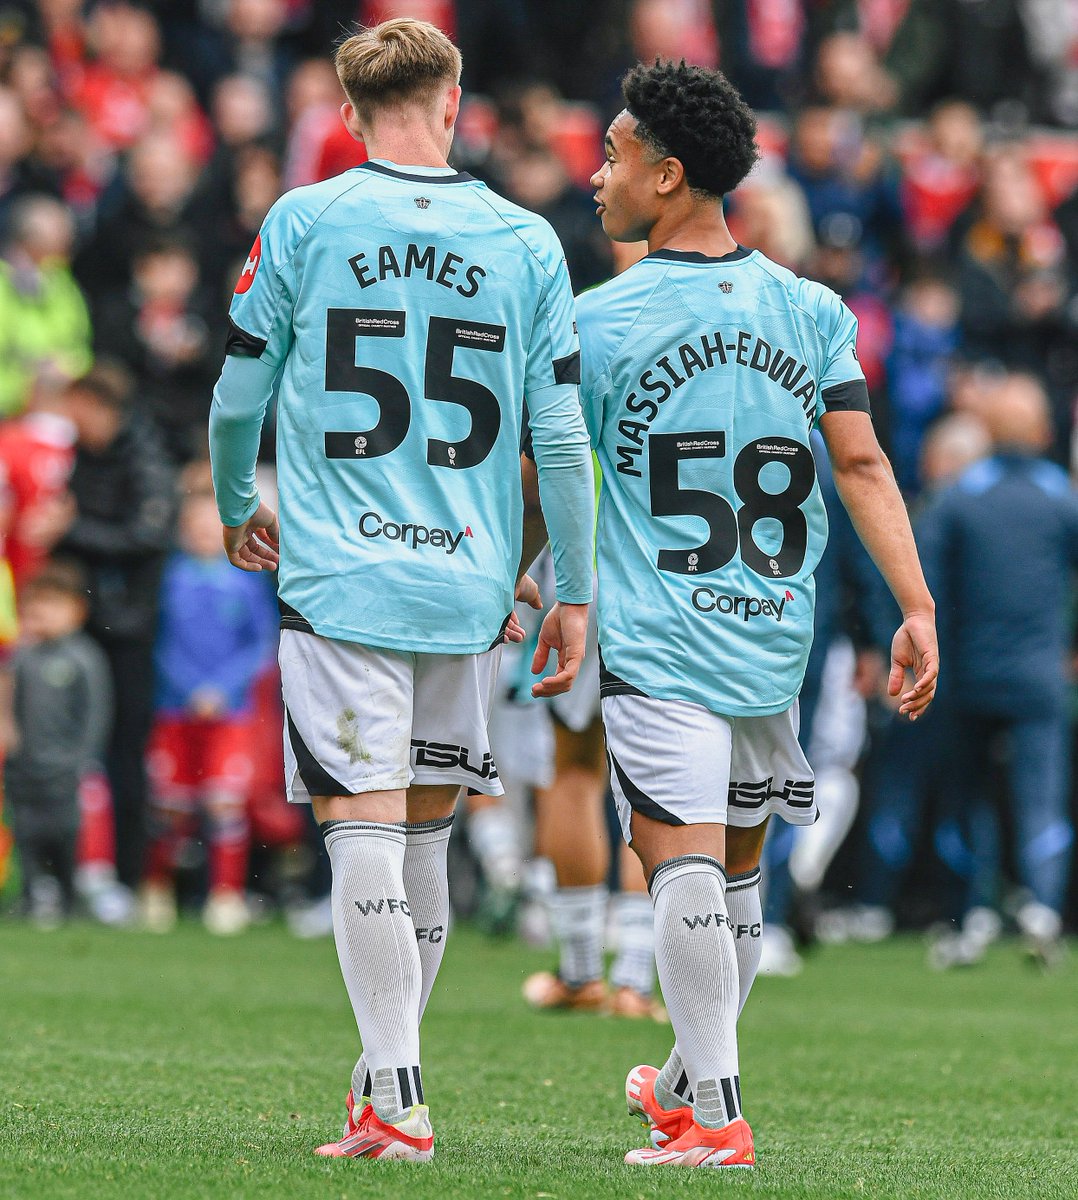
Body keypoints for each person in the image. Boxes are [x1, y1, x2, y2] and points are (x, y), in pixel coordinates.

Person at [208, 18, 595, 1163]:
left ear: (345, 114)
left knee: (360, 823)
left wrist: (237, 503)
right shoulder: (524, 239)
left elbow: (238, 396)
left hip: (343, 572)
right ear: (454, 98)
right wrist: (567, 584)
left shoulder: (307, 219)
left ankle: (395, 1095)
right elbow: (561, 436)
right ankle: (387, 1084)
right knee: (421, 830)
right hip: (470, 581)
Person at [578, 60, 938, 1168]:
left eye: (615, 155)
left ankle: (716, 1116)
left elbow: (549, 469)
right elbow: (864, 463)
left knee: (677, 865)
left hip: (660, 633)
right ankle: (684, 1082)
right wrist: (915, 605)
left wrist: (533, 583)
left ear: (668, 173)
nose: (598, 176)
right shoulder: (813, 307)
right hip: (771, 631)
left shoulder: (596, 320)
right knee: (731, 881)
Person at [918, 374, 1077, 968]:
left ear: (985, 431)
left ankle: (971, 917)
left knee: (969, 798)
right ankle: (1041, 907)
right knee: (1041, 797)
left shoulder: (960, 497)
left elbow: (926, 583)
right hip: (1039, 673)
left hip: (969, 673)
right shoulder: (1062, 497)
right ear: (1041, 432)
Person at [141, 484, 278, 936]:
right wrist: (189, 687)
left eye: (211, 526)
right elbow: (159, 644)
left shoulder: (246, 579)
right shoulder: (168, 578)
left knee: (224, 804)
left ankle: (226, 896)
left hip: (229, 712)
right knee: (171, 807)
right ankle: (156, 890)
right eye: (193, 525)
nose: (202, 534)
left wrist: (221, 688)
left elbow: (261, 643)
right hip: (176, 710)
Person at [2, 559, 111, 926]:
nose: (40, 615)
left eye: (51, 606)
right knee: (27, 833)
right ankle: (31, 896)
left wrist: (83, 760)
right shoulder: (21, 657)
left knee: (64, 834)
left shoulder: (84, 658)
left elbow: (96, 713)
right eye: (34, 606)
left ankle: (67, 897)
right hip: (24, 765)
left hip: (65, 768)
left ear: (76, 611)